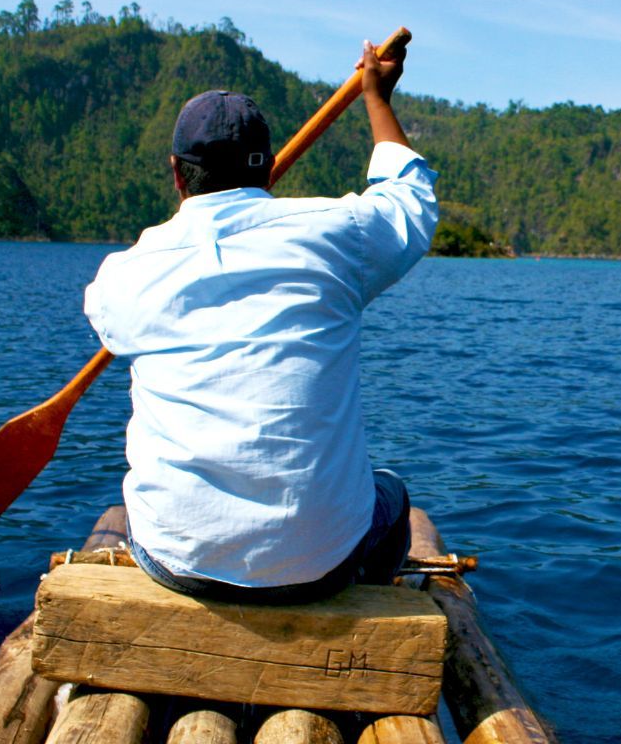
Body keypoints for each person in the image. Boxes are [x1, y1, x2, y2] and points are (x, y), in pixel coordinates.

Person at [82, 40, 438, 603]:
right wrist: (376, 97)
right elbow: (412, 200)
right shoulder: (337, 234)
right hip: (321, 564)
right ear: (270, 168)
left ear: (176, 174)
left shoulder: (125, 274)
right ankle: (351, 607)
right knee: (392, 497)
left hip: (176, 560)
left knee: (135, 505)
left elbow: (106, 319)